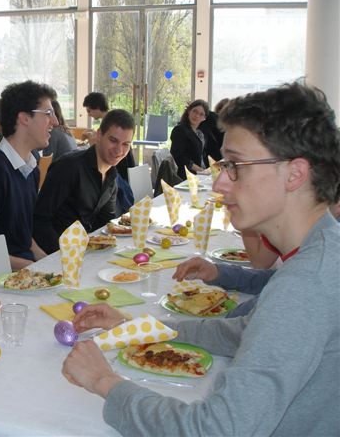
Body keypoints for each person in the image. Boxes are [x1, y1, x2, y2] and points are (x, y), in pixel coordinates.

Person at [61, 82, 340, 436]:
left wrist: (104, 382)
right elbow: (241, 332)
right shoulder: (321, 253)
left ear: (296, 173)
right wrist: (132, 327)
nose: (221, 183)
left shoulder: (305, 286)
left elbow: (213, 430)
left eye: (236, 165)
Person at [0, 80, 57, 270]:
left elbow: (23, 234)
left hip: (21, 272)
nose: (55, 121)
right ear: (24, 118)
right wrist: (34, 268)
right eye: (48, 114)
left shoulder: (30, 168)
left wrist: (46, 260)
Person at [34, 109, 135, 254]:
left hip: (86, 251)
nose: (119, 150)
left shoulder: (112, 175)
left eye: (126, 144)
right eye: (113, 140)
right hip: (58, 253)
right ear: (99, 135)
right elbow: (39, 220)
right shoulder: (68, 167)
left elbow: (105, 226)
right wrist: (64, 254)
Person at [170, 99, 211, 179]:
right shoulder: (180, 130)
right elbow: (178, 156)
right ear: (189, 111)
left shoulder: (200, 133)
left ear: (204, 118)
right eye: (194, 111)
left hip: (201, 173)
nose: (196, 116)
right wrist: (201, 171)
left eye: (201, 114)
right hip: (186, 175)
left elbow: (202, 155)